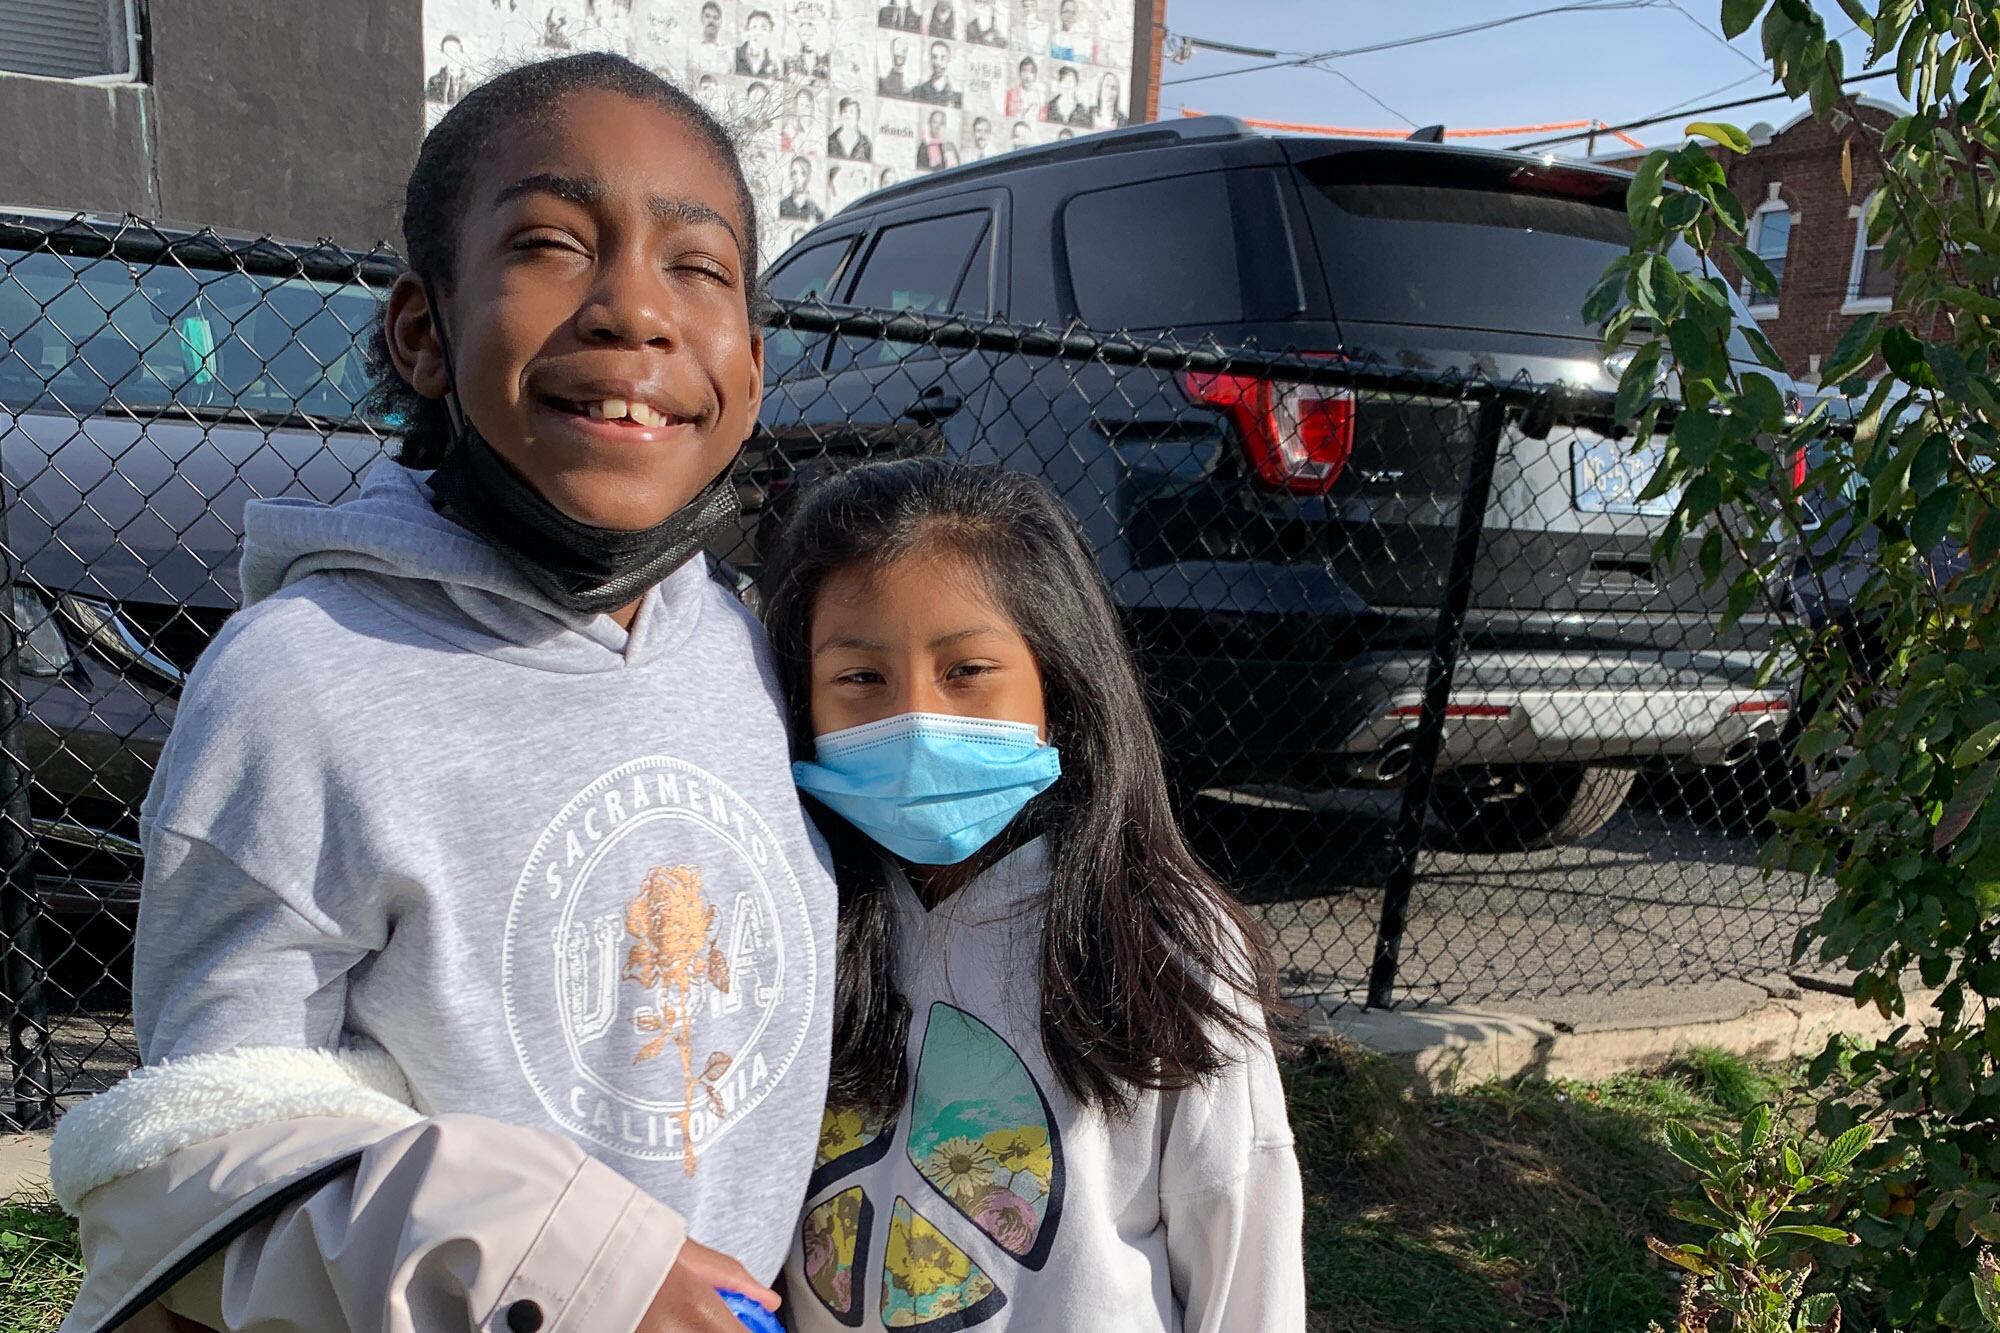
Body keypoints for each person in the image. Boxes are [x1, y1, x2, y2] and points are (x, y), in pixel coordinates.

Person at [50, 52, 838, 1333]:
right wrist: (570, 1267)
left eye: (696, 266)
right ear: (423, 330)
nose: (634, 308)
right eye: (551, 243)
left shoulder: (765, 657)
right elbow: (198, 1174)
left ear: (748, 369)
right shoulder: (297, 683)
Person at [765, 459, 1305, 1331]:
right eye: (860, 679)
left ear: (1059, 686)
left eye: (968, 669)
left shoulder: (1167, 940)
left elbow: (1241, 1246)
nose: (917, 722)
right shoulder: (792, 915)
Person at [910, 39, 961, 107]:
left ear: (948, 60)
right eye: (934, 57)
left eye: (943, 58)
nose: (938, 63)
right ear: (930, 59)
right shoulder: (918, 91)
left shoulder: (956, 96)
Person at [425, 33, 471, 105]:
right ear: (443, 53)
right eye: (448, 52)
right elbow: (432, 105)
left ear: (461, 52)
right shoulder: (434, 82)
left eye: (455, 52)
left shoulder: (469, 85)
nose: (451, 56)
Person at [780, 156, 827, 222]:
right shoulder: (782, 207)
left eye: (803, 173)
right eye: (794, 173)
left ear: (809, 176)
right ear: (790, 176)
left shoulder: (817, 212)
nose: (798, 178)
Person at [1044, 63, 1091, 128]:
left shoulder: (1083, 111)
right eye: (1065, 80)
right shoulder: (1049, 107)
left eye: (1071, 81)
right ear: (1059, 84)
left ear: (1076, 85)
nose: (1068, 85)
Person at [829, 95, 873, 161]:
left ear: (858, 116)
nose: (848, 115)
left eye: (852, 111)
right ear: (840, 115)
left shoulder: (866, 144)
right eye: (845, 111)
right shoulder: (830, 141)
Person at [736, 8, 778, 77]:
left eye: (764, 28)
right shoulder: (734, 55)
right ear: (747, 31)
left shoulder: (773, 63)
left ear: (770, 33)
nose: (758, 33)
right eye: (754, 27)